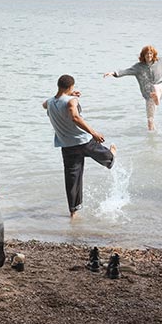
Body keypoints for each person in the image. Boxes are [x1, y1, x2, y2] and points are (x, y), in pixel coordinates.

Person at [43, 75, 117, 219]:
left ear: (59, 86)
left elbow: (44, 104)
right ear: (71, 87)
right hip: (84, 142)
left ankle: (73, 212)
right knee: (108, 158)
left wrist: (68, 95)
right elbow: (75, 117)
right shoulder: (72, 101)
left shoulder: (50, 102)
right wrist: (94, 132)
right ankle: (112, 154)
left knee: (72, 179)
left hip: (67, 146)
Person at [103, 45, 162, 131]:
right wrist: (113, 73)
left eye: (150, 53)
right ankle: (152, 137)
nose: (149, 55)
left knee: (157, 88)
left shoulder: (160, 61)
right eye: (147, 54)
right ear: (143, 55)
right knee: (150, 120)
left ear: (153, 54)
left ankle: (157, 95)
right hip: (149, 95)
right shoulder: (138, 67)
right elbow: (126, 71)